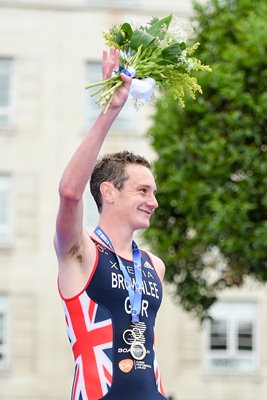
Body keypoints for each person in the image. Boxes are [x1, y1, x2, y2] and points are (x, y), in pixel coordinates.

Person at [54, 47, 167, 400]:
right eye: (143, 190)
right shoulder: (80, 252)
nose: (154, 201)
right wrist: (110, 110)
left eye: (154, 191)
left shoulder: (153, 266)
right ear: (109, 192)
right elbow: (70, 192)